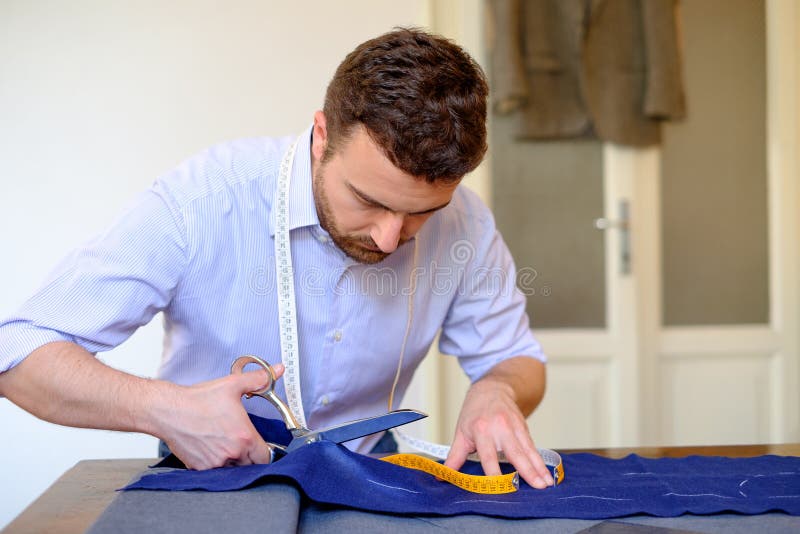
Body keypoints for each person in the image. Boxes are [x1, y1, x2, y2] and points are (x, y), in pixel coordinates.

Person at [0, 28, 553, 489]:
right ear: (322, 136)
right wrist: (163, 409)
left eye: (421, 213)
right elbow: (19, 350)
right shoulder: (203, 200)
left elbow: (516, 358)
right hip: (211, 472)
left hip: (369, 469)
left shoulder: (466, 224)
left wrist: (497, 390)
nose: (390, 239)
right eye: (368, 201)